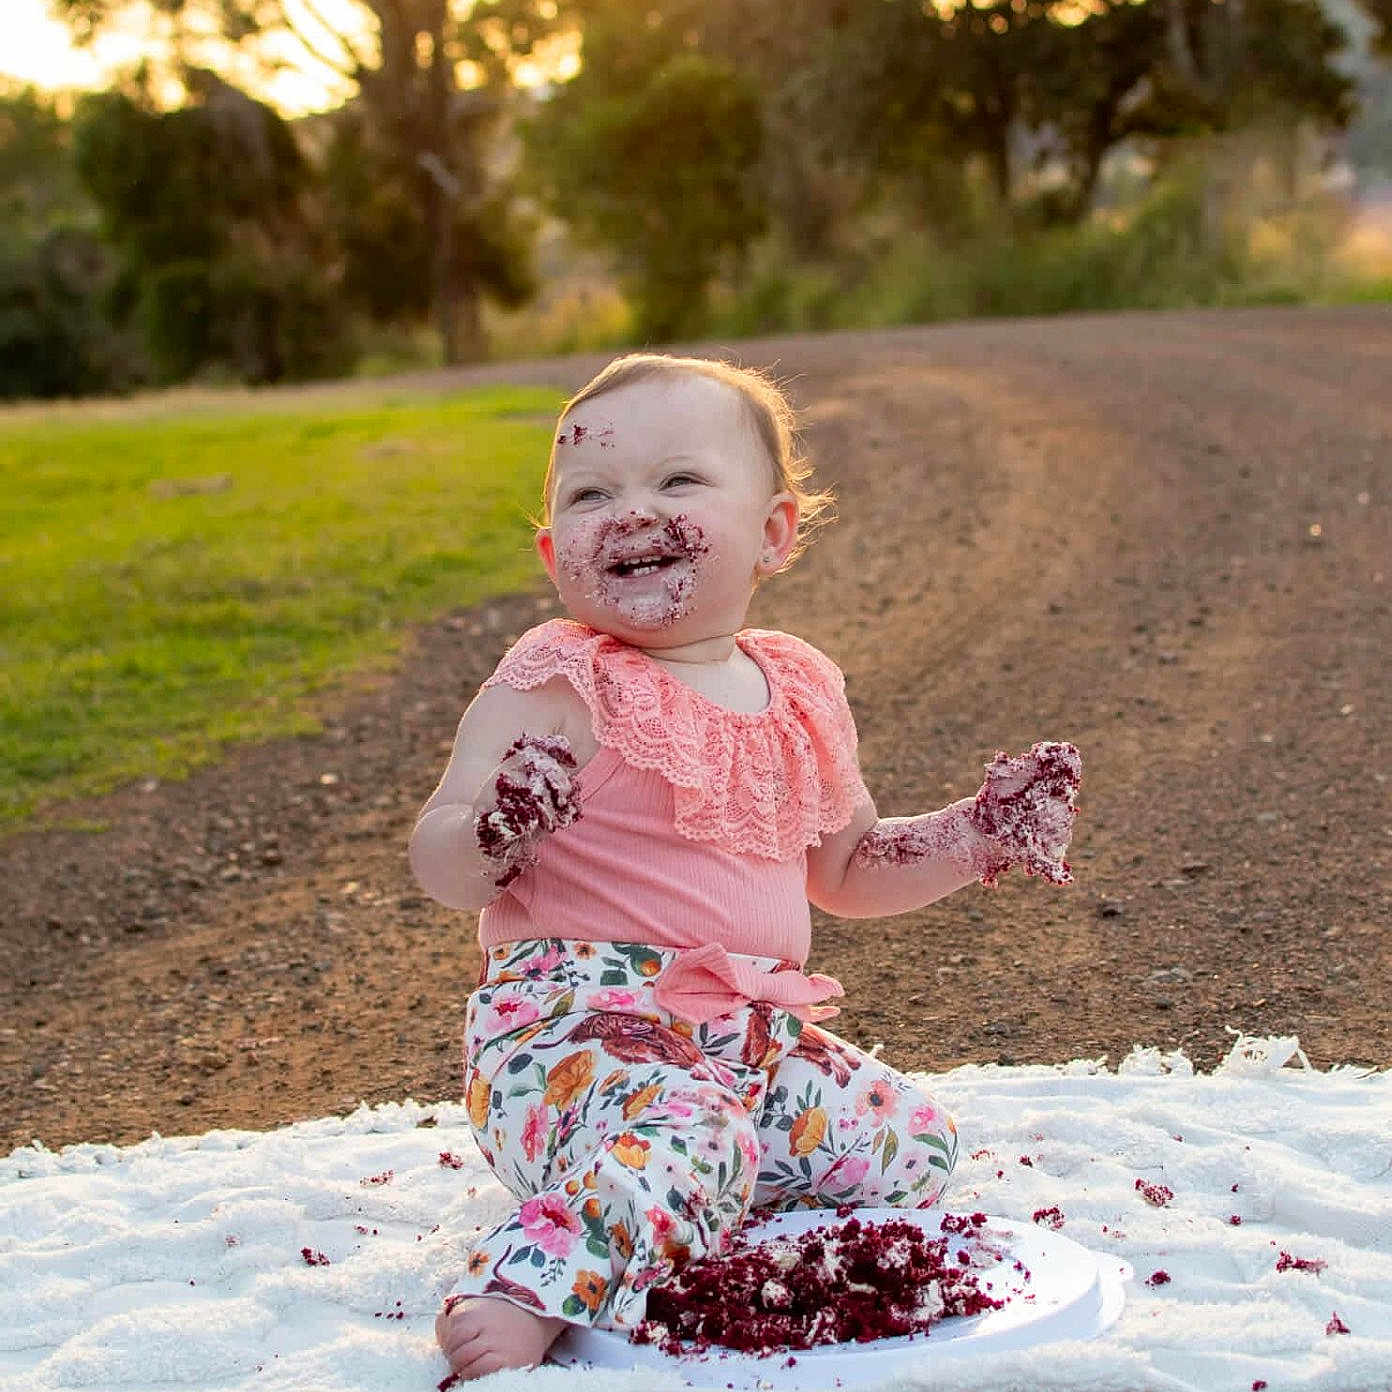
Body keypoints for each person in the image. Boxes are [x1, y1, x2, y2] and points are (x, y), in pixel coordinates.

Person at [409, 352, 1081, 1382]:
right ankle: (534, 1280)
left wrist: (973, 833)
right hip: (572, 1040)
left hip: (743, 1038)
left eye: (677, 482)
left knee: (909, 1143)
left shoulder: (799, 689)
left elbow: (849, 866)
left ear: (773, 532)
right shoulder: (558, 678)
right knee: (686, 1125)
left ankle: (669, 1190)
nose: (631, 512)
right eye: (591, 494)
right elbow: (440, 853)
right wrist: (494, 833)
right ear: (555, 551)